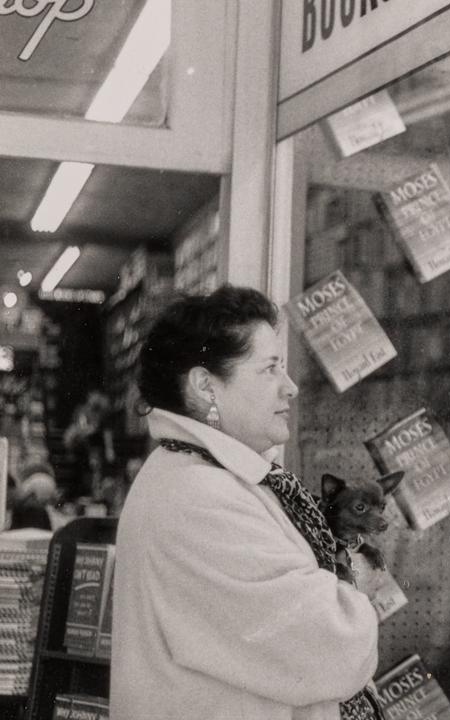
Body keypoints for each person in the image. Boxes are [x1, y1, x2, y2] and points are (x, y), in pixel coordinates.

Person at [111, 286, 380, 720]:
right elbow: (333, 647)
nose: (290, 387)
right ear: (205, 387)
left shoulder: (209, 476)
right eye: (270, 369)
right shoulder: (200, 500)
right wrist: (357, 589)